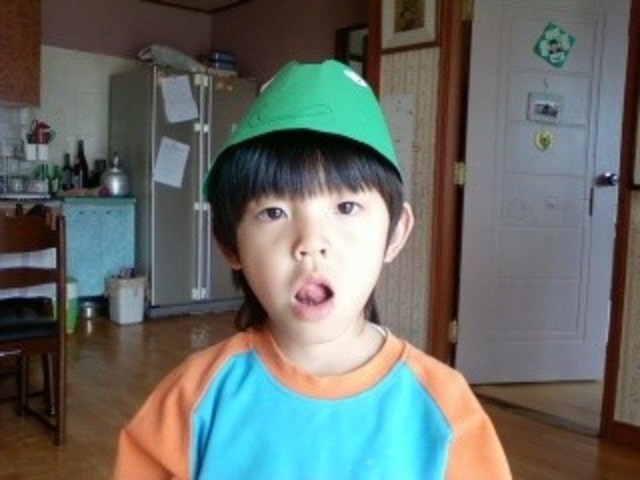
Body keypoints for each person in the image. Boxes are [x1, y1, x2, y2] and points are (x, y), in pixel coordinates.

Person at [113, 60, 511, 479]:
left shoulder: (444, 410)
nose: (310, 243)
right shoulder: (195, 399)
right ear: (230, 244)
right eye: (273, 212)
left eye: (346, 207)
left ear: (395, 233)